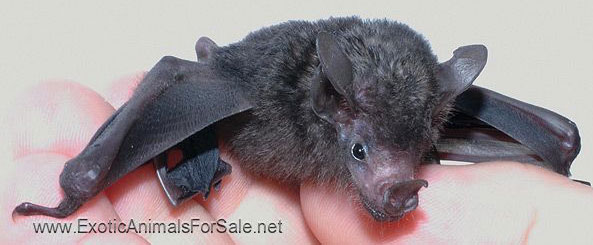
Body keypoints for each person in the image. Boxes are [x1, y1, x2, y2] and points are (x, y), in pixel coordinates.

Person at [3, 75, 592, 244]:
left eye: (410, 153)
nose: (395, 182)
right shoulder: (276, 109)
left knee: (556, 140)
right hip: (247, 88)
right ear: (337, 122)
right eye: (363, 154)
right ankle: (82, 182)